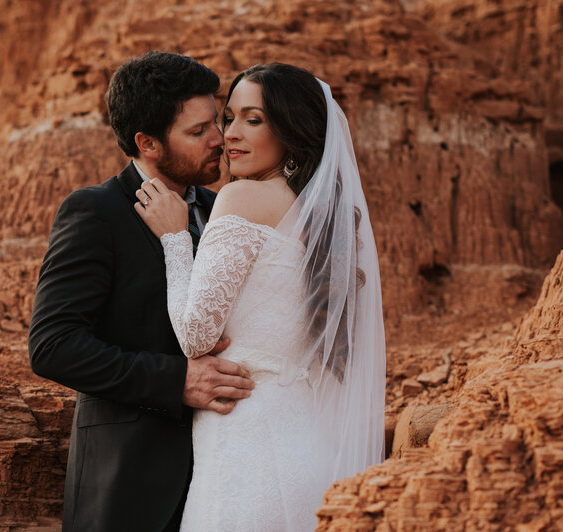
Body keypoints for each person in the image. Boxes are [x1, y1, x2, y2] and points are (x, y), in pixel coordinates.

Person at [135, 63, 386, 531]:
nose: (231, 134)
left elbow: (195, 336)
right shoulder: (319, 218)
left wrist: (175, 241)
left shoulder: (242, 198)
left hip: (246, 447)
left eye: (254, 119)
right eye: (228, 118)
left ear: (291, 130)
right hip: (310, 446)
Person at [28, 52, 255, 532]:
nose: (220, 139)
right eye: (198, 132)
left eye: (216, 121)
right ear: (147, 143)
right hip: (128, 485)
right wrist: (176, 381)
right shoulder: (97, 212)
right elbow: (54, 346)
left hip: (226, 478)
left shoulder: (227, 211)